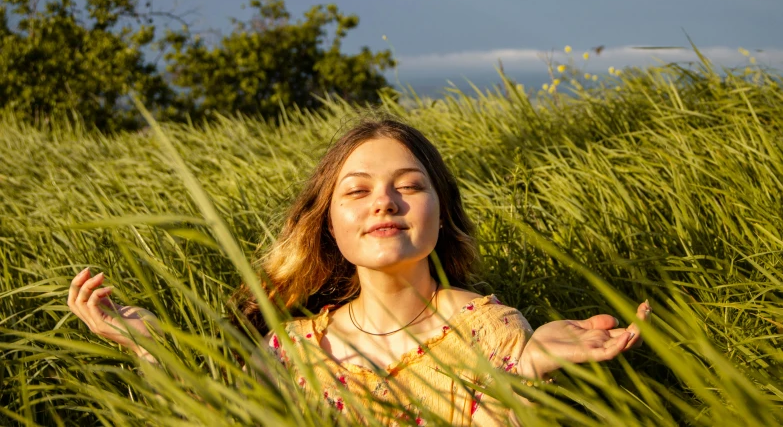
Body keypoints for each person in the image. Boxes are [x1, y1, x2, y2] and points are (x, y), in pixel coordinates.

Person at [67, 117, 651, 425]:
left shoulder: (485, 327)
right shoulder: (293, 350)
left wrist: (533, 358)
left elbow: (512, 370)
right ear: (328, 226)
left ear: (440, 213)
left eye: (409, 186)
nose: (384, 203)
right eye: (358, 191)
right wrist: (151, 351)